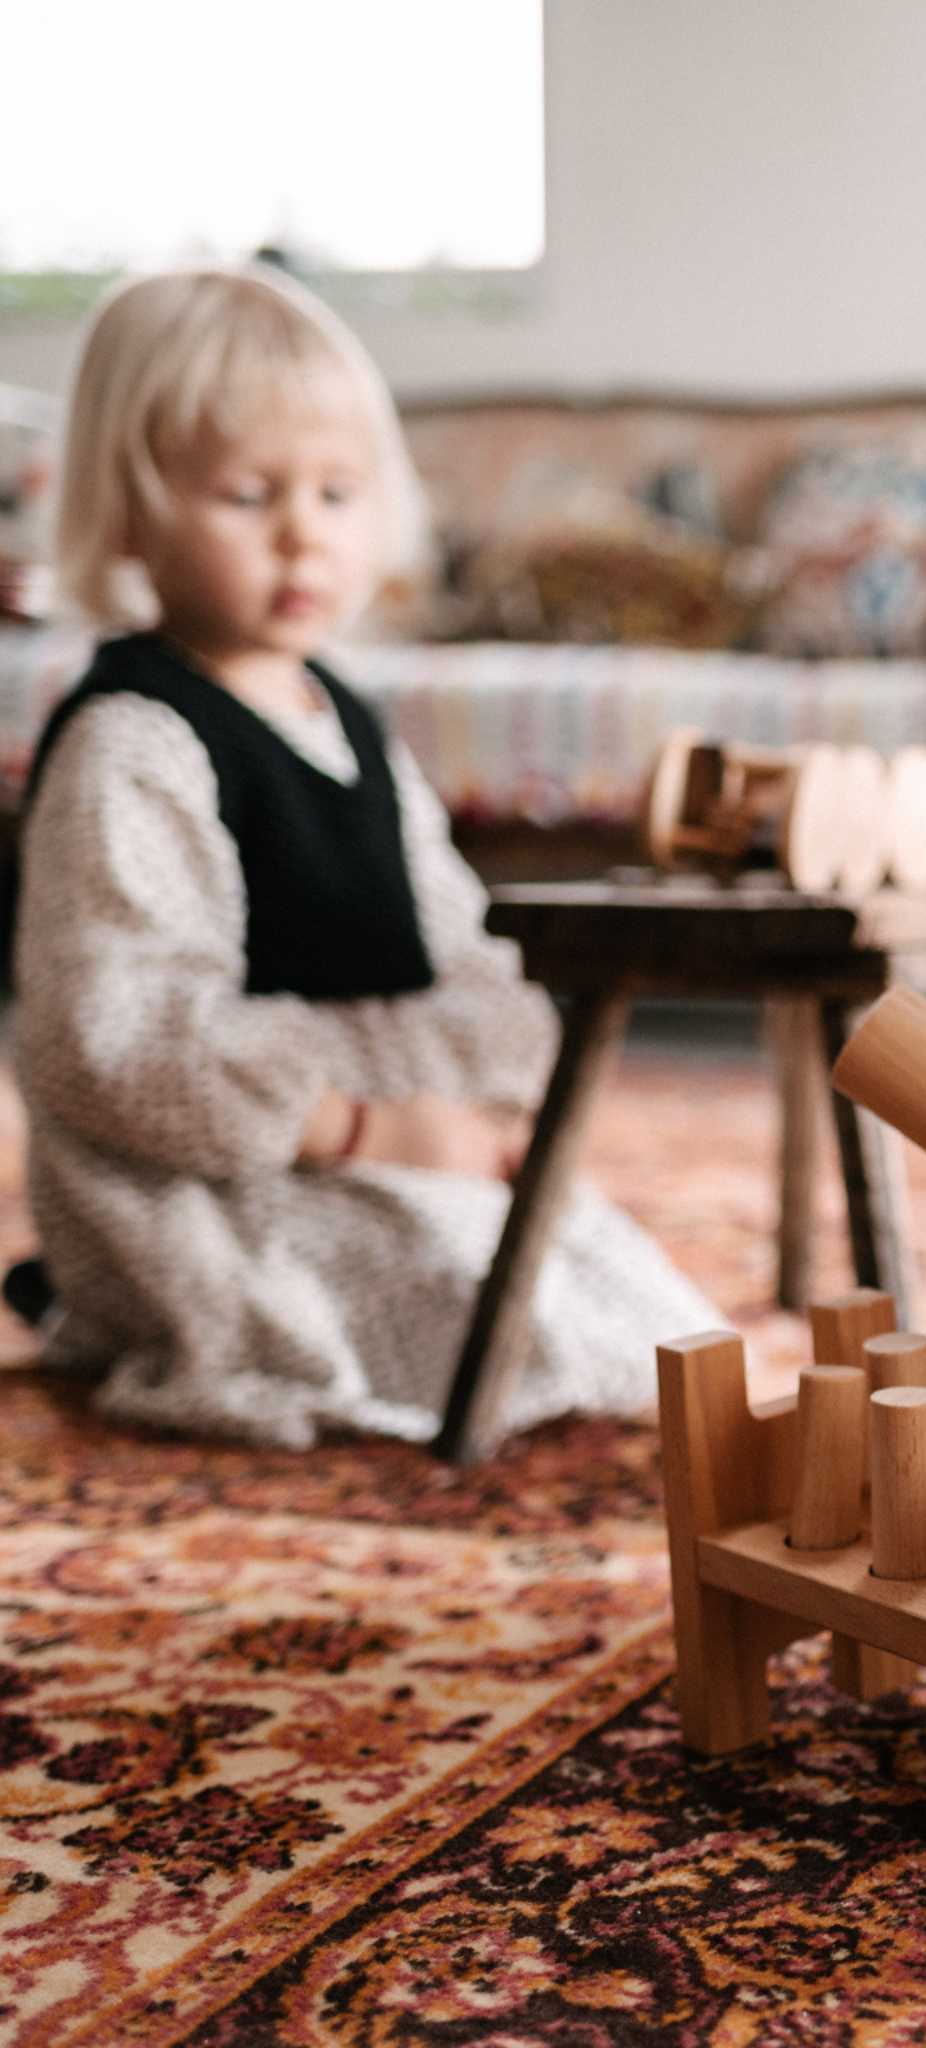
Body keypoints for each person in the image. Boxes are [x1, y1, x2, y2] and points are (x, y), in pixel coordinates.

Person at [10, 265, 720, 1451]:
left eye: (336, 494)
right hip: (207, 1182)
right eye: (248, 495)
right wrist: (356, 1126)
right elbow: (116, 1043)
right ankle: (107, 1305)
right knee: (440, 1319)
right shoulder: (133, 741)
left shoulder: (346, 717)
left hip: (377, 1130)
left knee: (604, 1285)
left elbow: (462, 944)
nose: (303, 533)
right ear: (131, 511)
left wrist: (489, 1103)